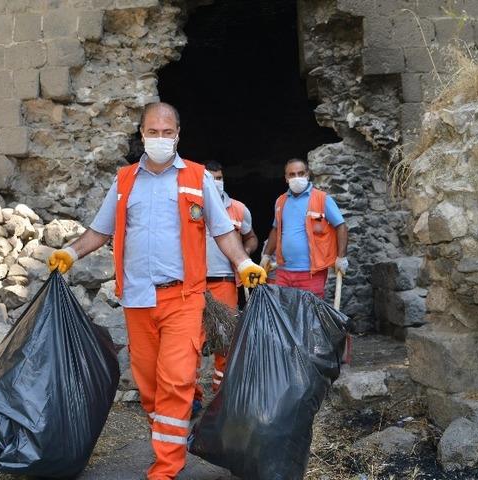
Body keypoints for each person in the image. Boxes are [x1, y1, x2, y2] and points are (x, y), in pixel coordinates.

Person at [47, 102, 267, 480]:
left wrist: (243, 263)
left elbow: (222, 230)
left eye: (168, 133)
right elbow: (101, 230)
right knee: (149, 387)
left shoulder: (198, 178)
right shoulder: (124, 181)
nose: (161, 139)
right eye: (153, 132)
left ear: (178, 135)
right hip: (136, 299)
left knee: (178, 379)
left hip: (183, 298)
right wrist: (71, 251)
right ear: (142, 134)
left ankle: (165, 467)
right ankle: (172, 435)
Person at [202, 160, 257, 394]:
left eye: (219, 178)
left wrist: (244, 258)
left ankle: (221, 394)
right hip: (193, 283)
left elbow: (251, 237)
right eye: (210, 178)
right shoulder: (190, 206)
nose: (216, 183)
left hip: (224, 281)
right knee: (190, 341)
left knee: (225, 339)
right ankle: (190, 397)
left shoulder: (238, 209)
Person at [260, 157, 348, 299]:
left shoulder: (322, 199)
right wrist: (266, 255)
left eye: (300, 173)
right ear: (286, 178)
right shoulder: (281, 201)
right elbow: (276, 230)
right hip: (283, 271)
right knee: (285, 316)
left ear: (307, 174)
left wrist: (341, 257)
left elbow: (341, 226)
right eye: (292, 174)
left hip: (312, 273)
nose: (297, 178)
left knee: (309, 316)